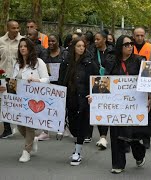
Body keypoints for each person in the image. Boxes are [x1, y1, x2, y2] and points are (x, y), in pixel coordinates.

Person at [102, 35, 149, 174]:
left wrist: (149, 97)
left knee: (132, 135)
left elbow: (149, 82)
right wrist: (96, 98)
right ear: (119, 47)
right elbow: (104, 82)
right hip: (117, 104)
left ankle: (139, 153)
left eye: (131, 44)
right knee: (116, 133)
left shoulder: (140, 61)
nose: (130, 46)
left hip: (135, 104)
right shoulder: (112, 62)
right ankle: (118, 164)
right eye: (126, 44)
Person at [58, 37, 99, 166]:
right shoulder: (66, 63)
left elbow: (97, 81)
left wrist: (94, 95)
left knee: (82, 126)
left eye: (83, 46)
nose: (81, 48)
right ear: (73, 47)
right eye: (78, 46)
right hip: (70, 98)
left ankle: (77, 151)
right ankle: (77, 146)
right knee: (73, 127)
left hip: (84, 99)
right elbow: (61, 80)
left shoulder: (89, 63)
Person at [13, 38, 49, 162]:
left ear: (30, 48)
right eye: (20, 46)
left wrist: (37, 80)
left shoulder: (39, 62)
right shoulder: (17, 64)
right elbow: (14, 80)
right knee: (20, 126)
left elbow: (46, 79)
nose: (22, 48)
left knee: (29, 126)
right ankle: (32, 139)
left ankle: (26, 151)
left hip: (34, 100)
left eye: (25, 46)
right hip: (20, 99)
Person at [85, 31, 114, 148]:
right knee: (95, 108)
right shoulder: (90, 52)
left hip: (109, 83)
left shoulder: (112, 51)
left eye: (98, 39)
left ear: (105, 39)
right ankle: (89, 133)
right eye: (95, 40)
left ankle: (103, 137)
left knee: (105, 109)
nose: (95, 41)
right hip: (95, 82)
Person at [0, 20, 23, 139]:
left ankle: (24, 127)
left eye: (18, 28)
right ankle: (7, 129)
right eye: (13, 28)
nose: (17, 30)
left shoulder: (22, 41)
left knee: (18, 102)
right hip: (3, 77)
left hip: (17, 78)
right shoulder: (1, 41)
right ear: (7, 28)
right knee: (5, 103)